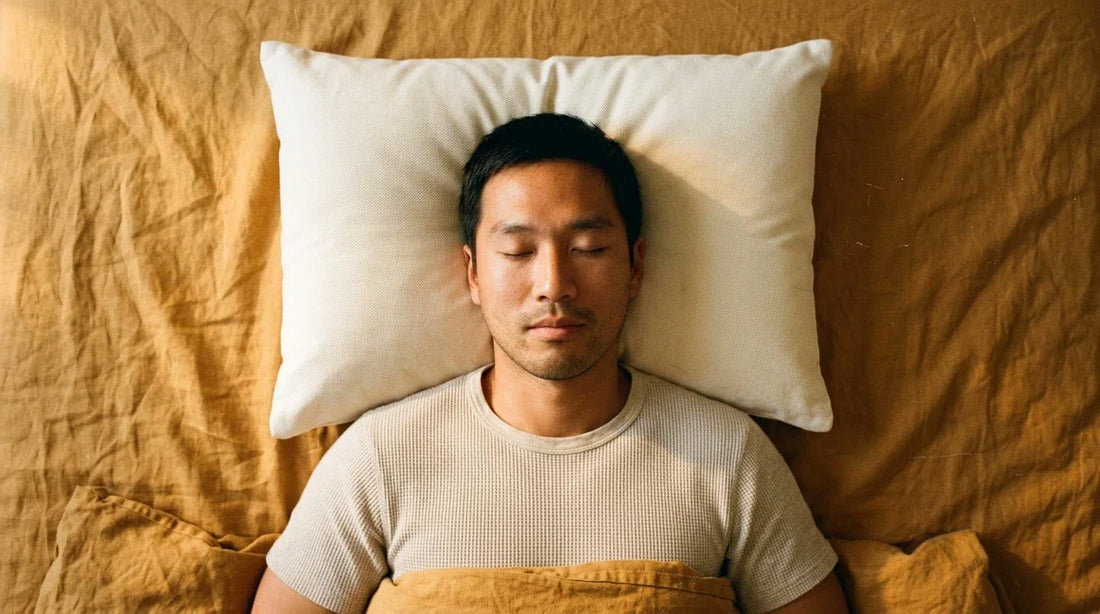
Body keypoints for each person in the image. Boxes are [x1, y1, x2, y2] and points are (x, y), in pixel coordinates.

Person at [252, 113, 848, 614]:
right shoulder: (381, 456)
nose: (554, 285)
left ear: (636, 267)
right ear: (473, 274)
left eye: (589, 249)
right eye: (517, 251)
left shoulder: (728, 454)